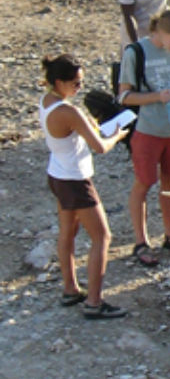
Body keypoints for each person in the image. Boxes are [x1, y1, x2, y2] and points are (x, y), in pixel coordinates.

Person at [40, 54, 130, 319]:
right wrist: (118, 135)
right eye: (76, 83)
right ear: (59, 82)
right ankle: (94, 301)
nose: (80, 88)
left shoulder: (47, 101)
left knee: (67, 232)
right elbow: (100, 147)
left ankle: (70, 288)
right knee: (102, 237)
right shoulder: (69, 111)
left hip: (57, 173)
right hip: (75, 179)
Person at [119, 10, 170, 267]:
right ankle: (141, 242)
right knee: (143, 182)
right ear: (159, 32)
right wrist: (157, 97)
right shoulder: (135, 53)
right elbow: (124, 96)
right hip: (146, 128)